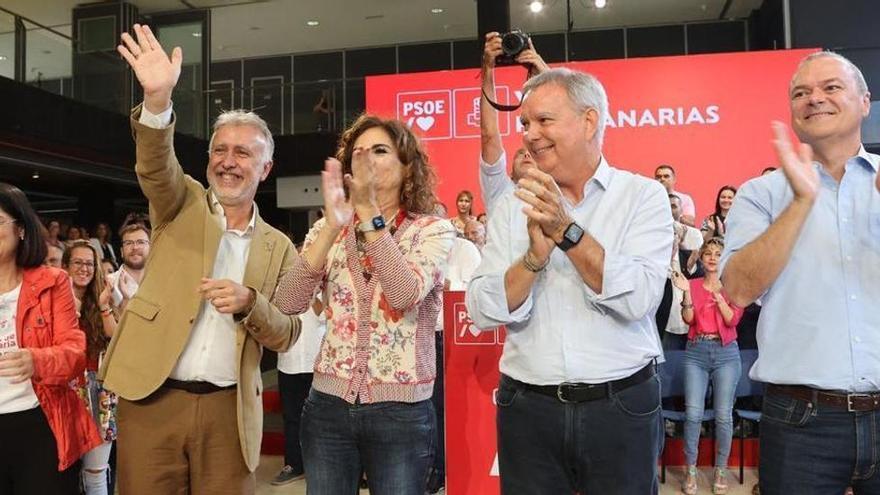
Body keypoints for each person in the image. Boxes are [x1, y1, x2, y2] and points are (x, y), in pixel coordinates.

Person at [100, 24, 301, 494]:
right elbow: (154, 164)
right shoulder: (179, 203)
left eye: (243, 153)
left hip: (228, 412)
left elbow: (288, 332)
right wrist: (156, 103)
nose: (228, 161)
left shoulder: (279, 246)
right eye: (220, 150)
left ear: (265, 168)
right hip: (153, 398)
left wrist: (251, 301)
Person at [466, 68, 672, 494]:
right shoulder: (511, 205)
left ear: (589, 121)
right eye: (525, 123)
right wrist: (533, 261)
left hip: (621, 407)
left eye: (544, 120)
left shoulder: (642, 196)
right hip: (527, 409)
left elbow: (639, 298)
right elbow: (483, 309)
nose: (529, 134)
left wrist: (567, 232)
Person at [721, 51, 880, 494]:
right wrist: (801, 202)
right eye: (801, 92)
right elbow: (736, 288)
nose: (815, 99)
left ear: (864, 102)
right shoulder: (762, 193)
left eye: (831, 87)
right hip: (800, 420)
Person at [274, 114, 456, 495]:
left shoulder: (432, 230)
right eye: (357, 153)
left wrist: (370, 215)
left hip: (401, 411)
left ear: (408, 168)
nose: (366, 160)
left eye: (379, 150)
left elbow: (404, 294)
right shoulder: (330, 230)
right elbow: (287, 302)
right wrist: (330, 226)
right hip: (327, 405)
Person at [0, 182, 102, 494]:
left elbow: (74, 352)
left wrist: (36, 360)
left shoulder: (52, 282)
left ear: (21, 230)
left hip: (40, 424)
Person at [673, 237, 743, 495]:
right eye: (708, 254)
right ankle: (691, 471)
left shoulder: (733, 287)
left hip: (726, 354)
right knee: (693, 414)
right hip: (696, 352)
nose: (712, 257)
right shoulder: (691, 285)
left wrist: (721, 298)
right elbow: (688, 319)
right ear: (701, 259)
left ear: (723, 259)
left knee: (723, 415)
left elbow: (732, 320)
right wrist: (686, 293)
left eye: (717, 254)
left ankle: (720, 470)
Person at [63, 240, 118, 495]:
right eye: (78, 262)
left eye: (89, 264)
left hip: (100, 389)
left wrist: (105, 304)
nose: (84, 269)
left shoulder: (101, 300)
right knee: (64, 474)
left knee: (96, 473)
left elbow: (115, 338)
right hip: (65, 392)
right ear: (66, 266)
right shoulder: (53, 300)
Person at [479, 32, 546, 212]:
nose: (526, 155)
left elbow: (567, 122)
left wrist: (546, 75)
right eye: (520, 154)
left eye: (532, 153)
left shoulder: (560, 191)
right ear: (509, 173)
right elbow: (489, 135)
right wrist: (488, 68)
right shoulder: (499, 190)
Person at [271, 292, 326, 486]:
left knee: (322, 419)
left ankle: (322, 465)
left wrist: (311, 293)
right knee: (292, 416)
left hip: (318, 360)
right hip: (289, 359)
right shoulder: (283, 283)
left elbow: (326, 314)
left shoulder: (325, 278)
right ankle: (294, 464)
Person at [106, 220, 151, 312]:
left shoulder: (162, 282)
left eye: (141, 242)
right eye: (129, 243)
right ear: (122, 251)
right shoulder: (109, 282)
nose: (135, 247)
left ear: (150, 248)